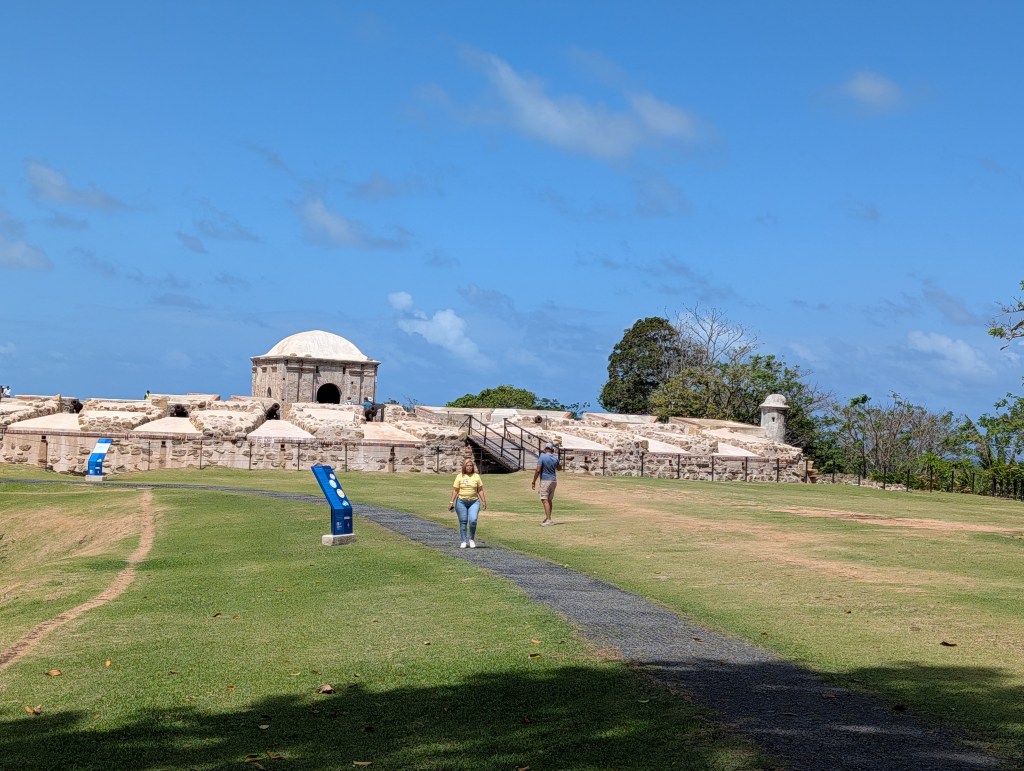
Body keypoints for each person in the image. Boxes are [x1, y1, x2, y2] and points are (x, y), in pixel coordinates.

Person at [449, 458, 487, 548]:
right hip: (461, 501)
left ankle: (471, 539)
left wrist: (484, 501)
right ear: (464, 466)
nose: (469, 467)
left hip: (474, 502)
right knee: (463, 521)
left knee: (473, 520)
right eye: (467, 465)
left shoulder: (476, 476)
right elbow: (455, 490)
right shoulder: (459, 476)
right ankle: (463, 540)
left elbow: (480, 490)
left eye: (471, 466)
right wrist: (451, 502)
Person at [532, 441, 559, 526]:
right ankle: (548, 517)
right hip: (554, 480)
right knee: (549, 500)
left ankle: (548, 520)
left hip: (545, 480)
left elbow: (538, 470)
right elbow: (559, 468)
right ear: (552, 450)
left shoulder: (542, 457)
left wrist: (534, 481)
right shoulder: (555, 457)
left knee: (544, 499)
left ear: (545, 449)